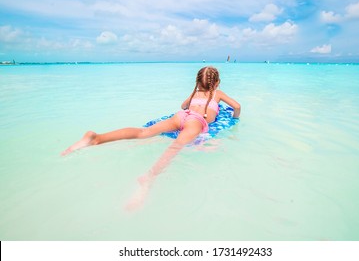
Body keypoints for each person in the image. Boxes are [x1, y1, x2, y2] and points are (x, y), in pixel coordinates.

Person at [61, 66, 241, 209]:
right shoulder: (217, 93)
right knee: (176, 146)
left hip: (181, 116)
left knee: (143, 132)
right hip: (196, 122)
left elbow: (184, 105)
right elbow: (237, 107)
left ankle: (96, 138)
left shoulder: (194, 93)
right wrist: (233, 121)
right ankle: (149, 177)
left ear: (197, 82)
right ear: (217, 82)